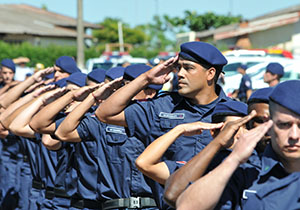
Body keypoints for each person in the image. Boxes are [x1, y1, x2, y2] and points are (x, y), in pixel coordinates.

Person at [96, 41, 228, 209]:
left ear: (210, 74)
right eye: (178, 68)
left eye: (188, 68)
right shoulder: (162, 106)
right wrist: (146, 78)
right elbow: (105, 113)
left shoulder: (232, 112)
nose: (180, 74)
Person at [176, 80, 300, 210]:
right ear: (269, 125)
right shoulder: (246, 169)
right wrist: (233, 160)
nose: (294, 135)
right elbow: (186, 206)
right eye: (284, 125)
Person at [55, 65, 161, 210]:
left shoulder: (162, 118)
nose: (123, 93)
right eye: (123, 87)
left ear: (150, 93)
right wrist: (92, 97)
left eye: (131, 88)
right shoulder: (102, 121)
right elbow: (63, 133)